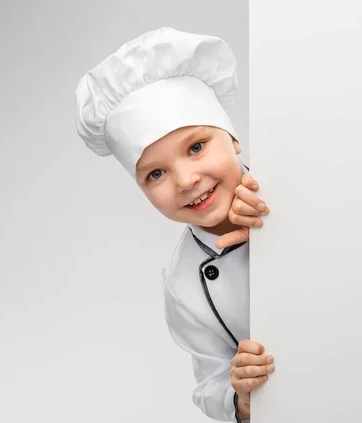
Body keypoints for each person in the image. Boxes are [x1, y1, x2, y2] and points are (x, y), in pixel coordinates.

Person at [74, 27, 273, 422]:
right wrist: (242, 397)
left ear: (233, 138)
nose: (185, 181)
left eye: (196, 147)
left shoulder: (293, 189)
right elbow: (210, 385)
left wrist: (280, 228)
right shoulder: (183, 286)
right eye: (156, 174)